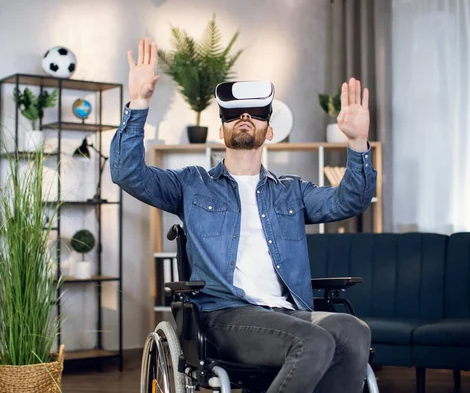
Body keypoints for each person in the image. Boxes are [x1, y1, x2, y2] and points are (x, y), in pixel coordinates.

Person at [111, 38, 377, 393]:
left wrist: (358, 144)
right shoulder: (192, 185)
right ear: (221, 130)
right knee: (314, 341)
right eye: (234, 114)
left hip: (288, 313)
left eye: (255, 113)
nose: (245, 118)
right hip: (225, 317)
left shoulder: (292, 190)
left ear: (269, 129)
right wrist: (139, 102)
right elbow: (126, 172)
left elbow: (350, 201)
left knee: (353, 331)